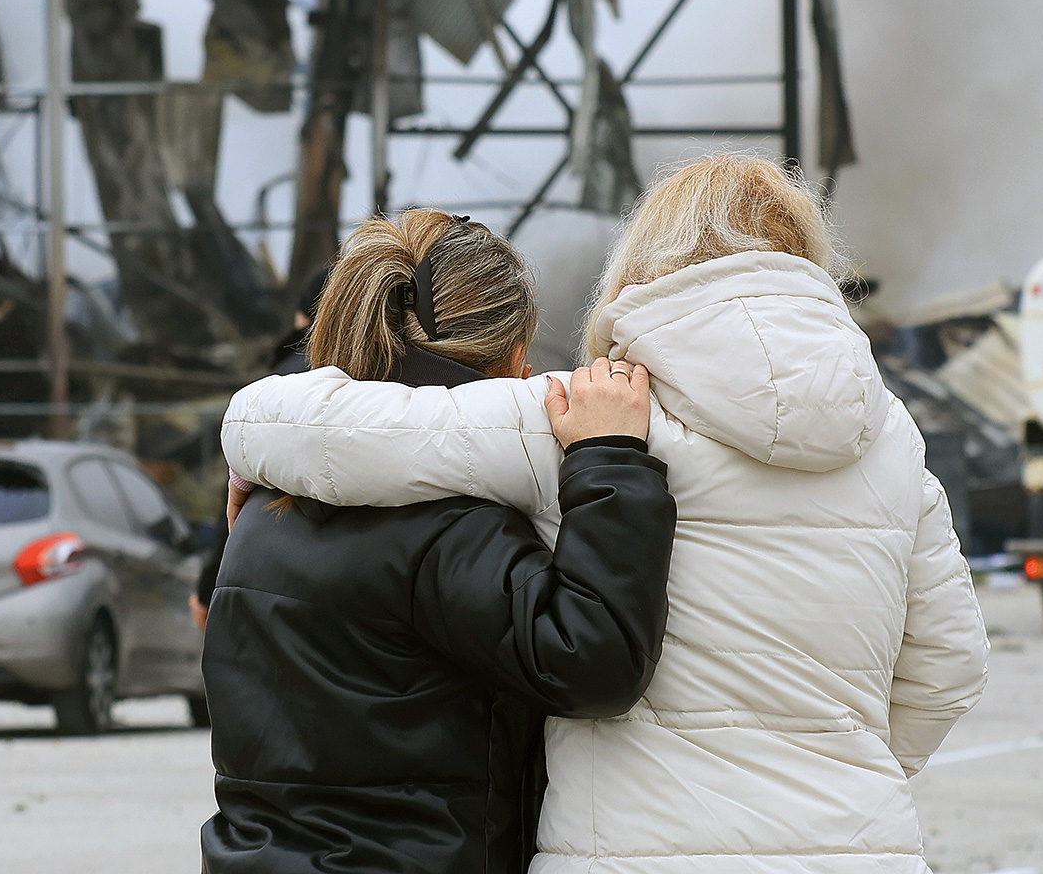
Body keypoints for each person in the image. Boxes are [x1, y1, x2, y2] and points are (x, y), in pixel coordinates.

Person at [226, 155, 990, 874]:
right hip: (857, 849)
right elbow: (951, 666)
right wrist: (836, 767)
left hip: (635, 852)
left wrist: (251, 444)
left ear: (648, 263)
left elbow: (356, 432)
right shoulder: (891, 435)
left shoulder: (599, 411)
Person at [203, 210, 679, 874]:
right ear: (511, 358)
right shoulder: (450, 525)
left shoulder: (262, 501)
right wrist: (612, 460)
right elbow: (593, 663)